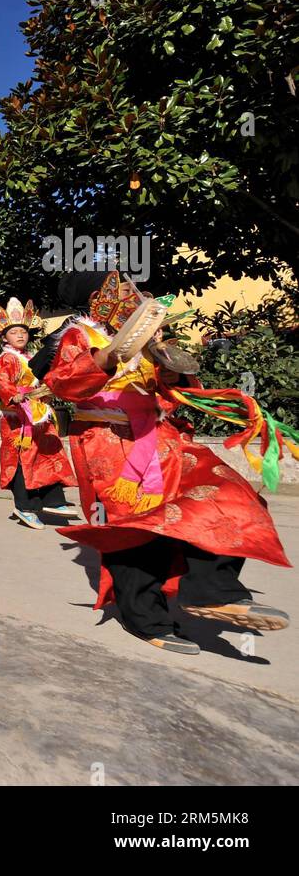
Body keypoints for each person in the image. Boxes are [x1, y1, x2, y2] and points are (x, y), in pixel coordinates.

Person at [44, 271, 291, 655]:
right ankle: (145, 619)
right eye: (121, 287)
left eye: (132, 287)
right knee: (138, 533)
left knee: (228, 491)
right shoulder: (81, 337)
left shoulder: (153, 338)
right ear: (98, 296)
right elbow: (63, 382)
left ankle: (212, 591)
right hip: (111, 443)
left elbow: (176, 391)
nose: (133, 292)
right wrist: (109, 356)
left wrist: (171, 369)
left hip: (164, 437)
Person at [0, 297, 78, 529]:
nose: (20, 335)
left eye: (23, 332)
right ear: (4, 337)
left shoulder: (30, 357)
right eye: (14, 332)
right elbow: (2, 382)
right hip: (18, 419)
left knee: (48, 452)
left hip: (37, 414)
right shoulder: (7, 359)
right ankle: (24, 506)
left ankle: (53, 500)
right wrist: (12, 395)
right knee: (22, 460)